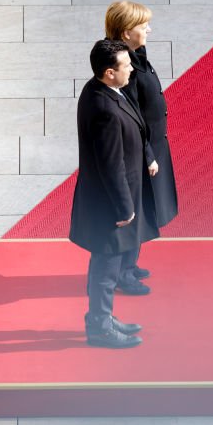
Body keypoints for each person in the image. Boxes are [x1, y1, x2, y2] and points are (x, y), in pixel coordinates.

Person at [70, 39, 161, 349]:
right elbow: (111, 165)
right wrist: (125, 210)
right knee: (106, 268)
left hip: (115, 198)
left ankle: (103, 319)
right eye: (126, 66)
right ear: (109, 72)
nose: (132, 69)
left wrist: (147, 155)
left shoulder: (103, 89)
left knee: (108, 264)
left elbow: (135, 126)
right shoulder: (105, 110)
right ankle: (99, 327)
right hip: (112, 206)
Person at [105, 0, 179, 287]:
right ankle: (122, 274)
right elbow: (132, 113)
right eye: (142, 25)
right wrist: (148, 155)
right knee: (136, 211)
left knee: (146, 209)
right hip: (141, 151)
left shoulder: (135, 55)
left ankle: (129, 265)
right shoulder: (126, 67)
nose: (148, 28)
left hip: (151, 145)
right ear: (126, 32)